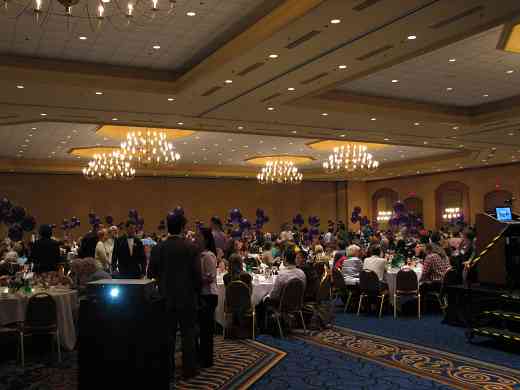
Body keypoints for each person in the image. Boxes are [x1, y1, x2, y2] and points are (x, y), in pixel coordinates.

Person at [153, 212, 201, 380]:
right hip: (187, 298)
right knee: (188, 335)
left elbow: (151, 272)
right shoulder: (191, 248)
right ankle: (189, 370)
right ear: (183, 227)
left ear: (168, 227)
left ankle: (168, 370)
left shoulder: (158, 247)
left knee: (168, 336)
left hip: (165, 298)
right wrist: (197, 295)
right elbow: (197, 276)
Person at [257, 246, 306, 333]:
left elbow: (274, 295)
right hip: (297, 303)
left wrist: (265, 296)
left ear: (285, 259)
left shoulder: (282, 275)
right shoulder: (302, 273)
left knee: (260, 301)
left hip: (282, 304)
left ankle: (263, 328)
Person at [197, 227, 218, 368]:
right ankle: (203, 356)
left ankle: (207, 360)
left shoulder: (208, 256)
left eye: (198, 237)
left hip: (209, 295)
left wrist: (195, 280)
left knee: (206, 330)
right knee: (203, 329)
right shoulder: (200, 255)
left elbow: (210, 278)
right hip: (203, 294)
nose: (196, 239)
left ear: (205, 239)